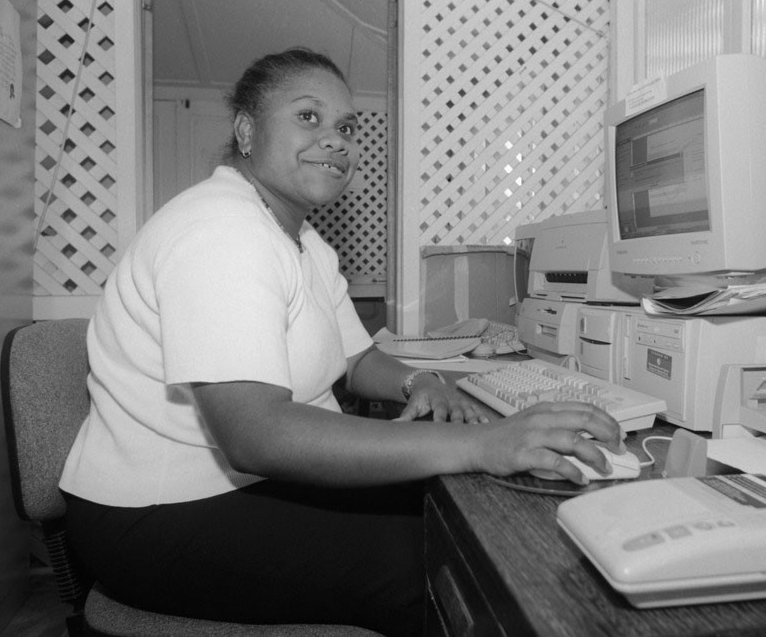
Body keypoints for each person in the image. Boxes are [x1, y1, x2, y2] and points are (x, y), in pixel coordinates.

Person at [58, 47, 625, 636]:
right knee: (453, 566)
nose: (336, 139)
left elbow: (357, 360)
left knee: (456, 511)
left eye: (346, 126)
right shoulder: (219, 231)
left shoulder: (302, 240)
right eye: (308, 117)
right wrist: (483, 442)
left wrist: (418, 380)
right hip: (156, 516)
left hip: (245, 487)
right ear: (246, 131)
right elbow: (255, 434)